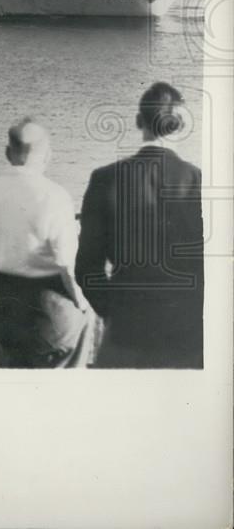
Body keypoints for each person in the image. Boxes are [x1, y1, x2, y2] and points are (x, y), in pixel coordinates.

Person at [75, 83, 203, 368]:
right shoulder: (197, 181)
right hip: (186, 333)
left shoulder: (105, 179)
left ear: (138, 121)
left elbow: (86, 268)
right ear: (179, 125)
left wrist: (112, 311)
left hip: (125, 330)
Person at [0, 120, 92, 368]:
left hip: (5, 313)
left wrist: (2, 289)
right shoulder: (55, 195)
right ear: (48, 156)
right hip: (51, 314)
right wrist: (82, 303)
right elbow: (66, 266)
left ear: (7, 152)